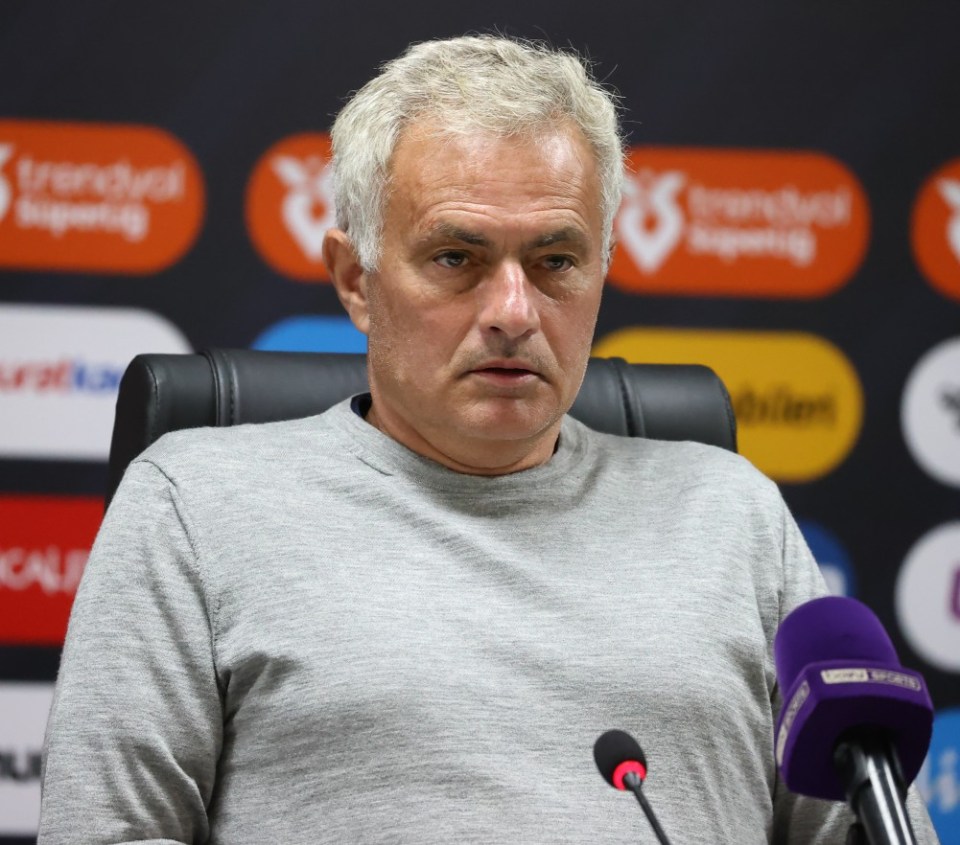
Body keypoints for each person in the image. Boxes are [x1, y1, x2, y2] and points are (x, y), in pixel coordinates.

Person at [39, 35, 938, 844]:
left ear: (602, 270)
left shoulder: (732, 513)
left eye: (554, 261)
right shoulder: (196, 508)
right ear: (356, 278)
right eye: (457, 258)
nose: (513, 312)